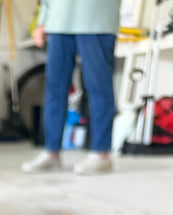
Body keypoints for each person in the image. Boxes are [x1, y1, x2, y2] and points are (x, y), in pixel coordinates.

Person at [22, 0, 122, 175]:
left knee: (98, 88)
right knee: (55, 89)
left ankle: (101, 154)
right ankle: (51, 152)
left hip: (96, 19)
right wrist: (43, 19)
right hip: (58, 21)